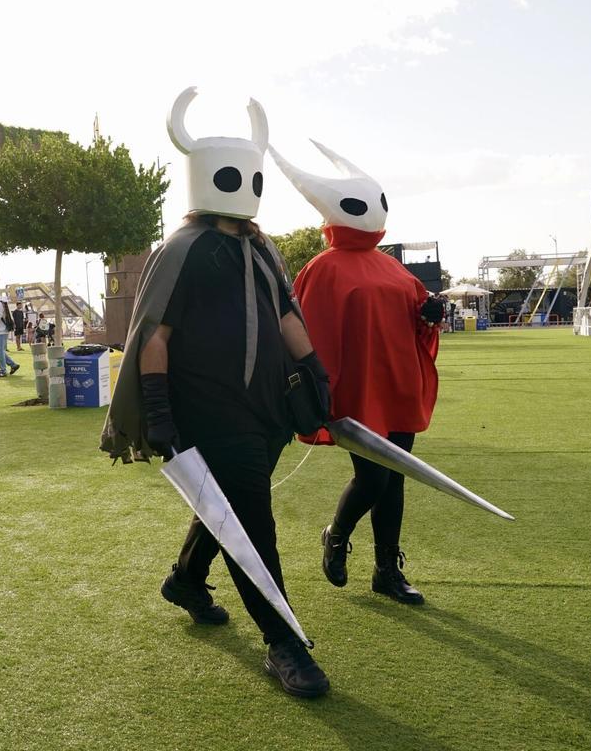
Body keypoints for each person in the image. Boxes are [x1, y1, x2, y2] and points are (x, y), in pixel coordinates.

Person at [101, 88, 330, 698]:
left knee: (227, 500)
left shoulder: (261, 247)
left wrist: (314, 371)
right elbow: (156, 334)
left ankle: (186, 578)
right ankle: (283, 643)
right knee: (253, 521)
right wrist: (158, 411)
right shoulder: (183, 249)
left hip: (267, 410)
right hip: (209, 409)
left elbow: (285, 315)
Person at [271, 139, 441, 606]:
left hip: (399, 386)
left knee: (396, 476)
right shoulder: (321, 270)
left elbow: (417, 322)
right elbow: (308, 333)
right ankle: (336, 534)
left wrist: (430, 314)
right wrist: (320, 392)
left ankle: (387, 569)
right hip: (360, 393)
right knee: (375, 478)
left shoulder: (393, 269)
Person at [0, 286, 20, 377]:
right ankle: (13, 365)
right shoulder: (2, 302)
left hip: (1, 330)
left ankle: (3, 370)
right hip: (2, 329)